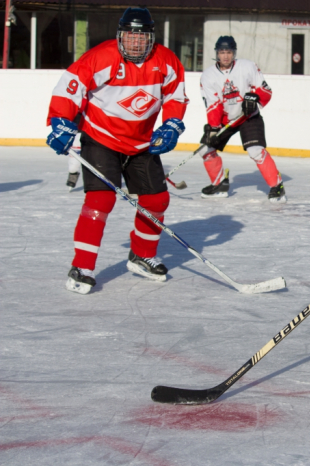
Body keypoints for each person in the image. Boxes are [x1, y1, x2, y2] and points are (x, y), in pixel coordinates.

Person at [46, 7, 188, 294]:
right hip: (101, 138)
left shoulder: (166, 60)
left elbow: (176, 95)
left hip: (142, 142)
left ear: (151, 37)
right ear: (120, 35)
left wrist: (172, 124)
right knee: (100, 201)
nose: (135, 42)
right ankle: (82, 267)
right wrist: (60, 122)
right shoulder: (102, 56)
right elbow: (70, 87)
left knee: (157, 200)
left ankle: (141, 256)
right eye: (129, 36)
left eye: (141, 36)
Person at [198, 35, 286, 202]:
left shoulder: (247, 66)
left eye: (229, 52)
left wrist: (254, 98)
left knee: (255, 151)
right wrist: (214, 127)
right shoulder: (208, 76)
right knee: (205, 149)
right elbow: (213, 104)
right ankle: (219, 184)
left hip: (248, 117)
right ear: (217, 53)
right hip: (227, 120)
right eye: (222, 52)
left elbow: (265, 90)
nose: (225, 56)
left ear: (234, 53)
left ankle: (277, 186)